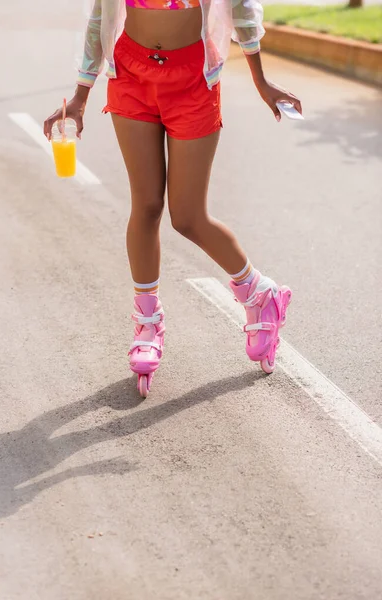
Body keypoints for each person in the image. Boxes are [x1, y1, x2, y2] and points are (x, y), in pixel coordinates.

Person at [44, 0, 301, 397]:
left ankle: (259, 293)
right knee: (145, 206)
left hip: (194, 79)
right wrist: (80, 96)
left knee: (188, 216)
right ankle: (147, 323)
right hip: (130, 73)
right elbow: (100, 15)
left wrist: (260, 79)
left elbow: (242, 8)